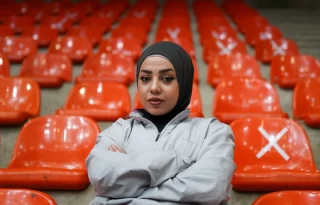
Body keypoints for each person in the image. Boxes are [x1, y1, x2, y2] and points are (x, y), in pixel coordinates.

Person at [86, 41, 236, 205]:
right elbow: (101, 176)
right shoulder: (119, 130)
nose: (154, 88)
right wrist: (178, 162)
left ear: (184, 82)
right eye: (145, 78)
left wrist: (126, 188)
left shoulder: (213, 132)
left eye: (167, 79)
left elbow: (212, 188)